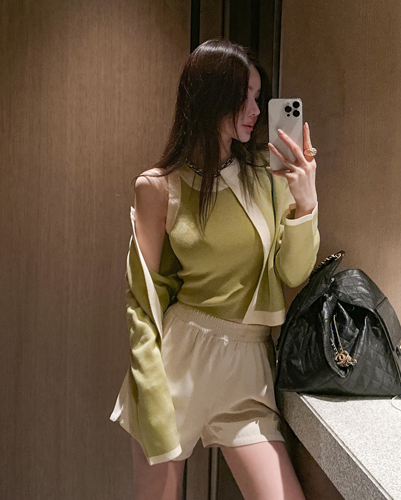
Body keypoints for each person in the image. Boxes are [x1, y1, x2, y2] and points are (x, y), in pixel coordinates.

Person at [110, 38, 319, 500]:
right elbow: (142, 301)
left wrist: (305, 203)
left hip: (248, 369)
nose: (256, 110)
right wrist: (151, 391)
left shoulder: (266, 172)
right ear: (210, 97)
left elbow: (293, 273)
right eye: (245, 96)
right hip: (178, 365)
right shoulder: (158, 186)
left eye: (259, 97)